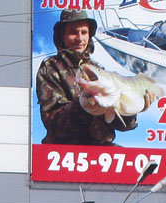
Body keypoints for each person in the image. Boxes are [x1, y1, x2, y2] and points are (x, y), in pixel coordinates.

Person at [35, 10, 152, 146]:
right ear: (62, 35)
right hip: (64, 150)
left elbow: (123, 125)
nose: (80, 38)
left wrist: (135, 107)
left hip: (100, 149)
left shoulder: (99, 70)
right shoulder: (50, 67)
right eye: (74, 32)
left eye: (84, 32)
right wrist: (83, 105)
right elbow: (53, 124)